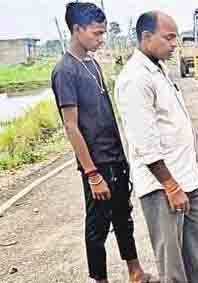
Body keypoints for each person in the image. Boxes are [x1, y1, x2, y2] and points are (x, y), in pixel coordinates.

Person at [51, 3, 155, 283]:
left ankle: (135, 271)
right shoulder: (65, 71)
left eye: (103, 33)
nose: (101, 39)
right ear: (77, 29)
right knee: (97, 226)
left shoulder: (92, 63)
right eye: (97, 33)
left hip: (115, 158)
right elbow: (71, 126)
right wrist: (92, 173)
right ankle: (99, 279)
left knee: (124, 218)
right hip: (97, 165)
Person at [114, 11, 198, 283]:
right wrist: (170, 185)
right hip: (163, 189)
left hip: (188, 180)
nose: (174, 44)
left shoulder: (158, 69)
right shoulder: (135, 78)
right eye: (168, 38)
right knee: (173, 266)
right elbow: (144, 142)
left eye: (175, 38)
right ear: (146, 37)